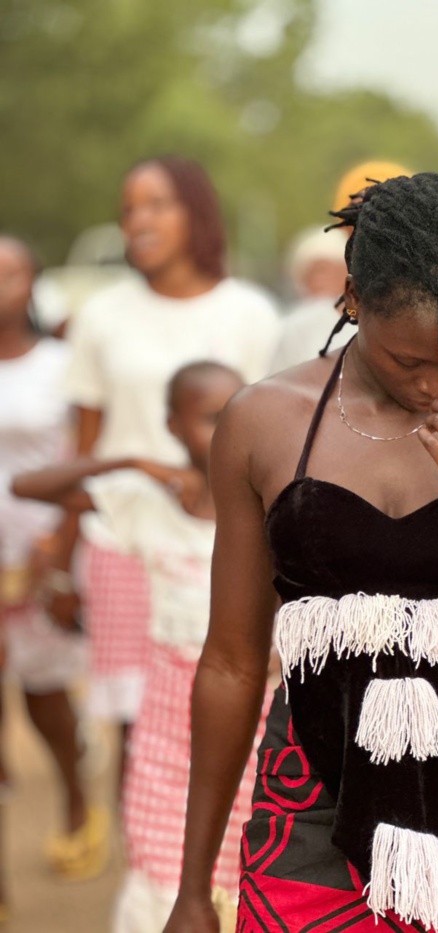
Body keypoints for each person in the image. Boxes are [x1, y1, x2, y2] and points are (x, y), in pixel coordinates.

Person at [165, 173, 438, 933]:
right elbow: (230, 660)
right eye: (410, 361)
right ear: (352, 300)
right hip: (306, 822)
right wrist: (194, 886)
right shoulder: (262, 423)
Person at [13, 361, 273, 932]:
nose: (225, 428)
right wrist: (130, 460)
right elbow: (27, 487)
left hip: (259, 723)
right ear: (172, 426)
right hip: (166, 727)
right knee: (163, 869)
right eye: (207, 417)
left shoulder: (273, 506)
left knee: (249, 870)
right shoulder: (147, 503)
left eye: (235, 413)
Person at [58, 156, 280, 795]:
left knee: (232, 699)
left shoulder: (249, 313)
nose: (138, 221)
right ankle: (151, 874)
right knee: (134, 721)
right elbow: (86, 441)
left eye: (156, 204)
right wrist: (63, 551)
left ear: (196, 214)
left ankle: (227, 868)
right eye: (129, 208)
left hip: (223, 540)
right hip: (120, 540)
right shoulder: (102, 315)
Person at [0, 236, 105, 891]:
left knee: (45, 699)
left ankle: (74, 793)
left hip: (41, 557)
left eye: (8, 271)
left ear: (33, 281)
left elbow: (85, 456)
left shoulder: (63, 365)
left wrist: (63, 553)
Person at [270, 227, 350, 373]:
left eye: (324, 270)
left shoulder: (366, 322)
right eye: (312, 272)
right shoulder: (295, 323)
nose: (319, 280)